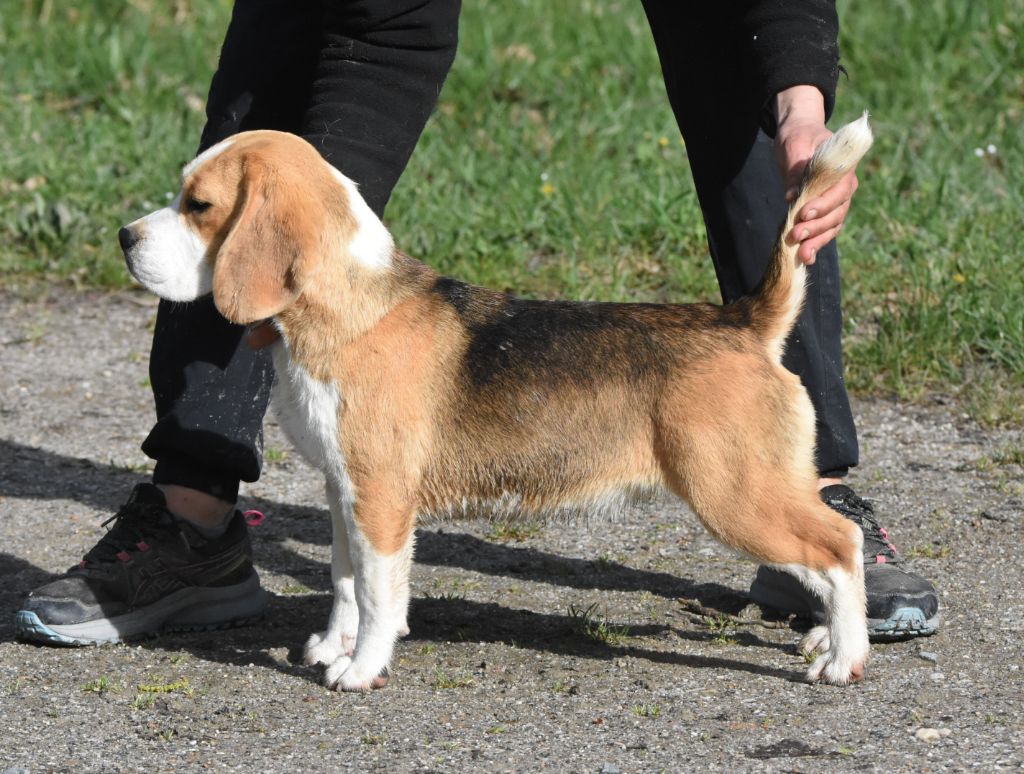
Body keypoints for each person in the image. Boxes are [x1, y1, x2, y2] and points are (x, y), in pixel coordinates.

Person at [16, 0, 938, 647]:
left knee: (744, 466)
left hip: (710, 373)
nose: (171, 223)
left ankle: (814, 510)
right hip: (376, 37)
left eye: (195, 208)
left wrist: (802, 94)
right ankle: (191, 511)